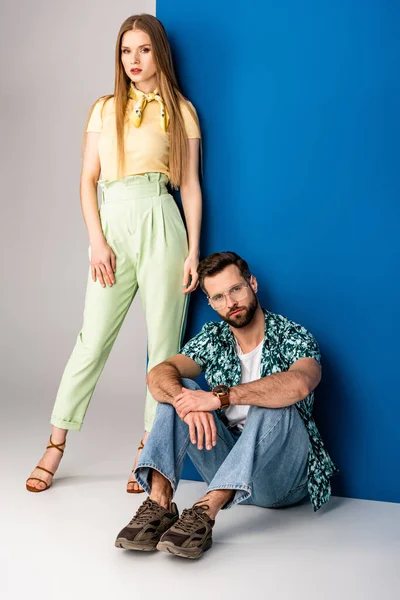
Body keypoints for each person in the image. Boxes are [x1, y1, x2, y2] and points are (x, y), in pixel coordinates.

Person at [26, 14, 202, 494]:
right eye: (126, 51)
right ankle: (55, 443)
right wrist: (97, 240)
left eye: (144, 50)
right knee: (92, 338)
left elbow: (189, 185)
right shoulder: (103, 108)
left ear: (158, 53)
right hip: (114, 221)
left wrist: (194, 252)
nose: (134, 60)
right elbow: (86, 181)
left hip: (162, 223)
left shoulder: (180, 110)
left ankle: (149, 449)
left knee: (163, 345)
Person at [115, 251, 337, 559]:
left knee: (276, 400)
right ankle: (160, 503)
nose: (230, 303)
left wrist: (219, 397)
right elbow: (157, 375)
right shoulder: (214, 338)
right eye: (218, 297)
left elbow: (300, 384)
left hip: (281, 481)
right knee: (180, 391)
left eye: (235, 290)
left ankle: (205, 512)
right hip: (226, 467)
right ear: (210, 303)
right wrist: (188, 403)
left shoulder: (292, 335)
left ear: (252, 284)